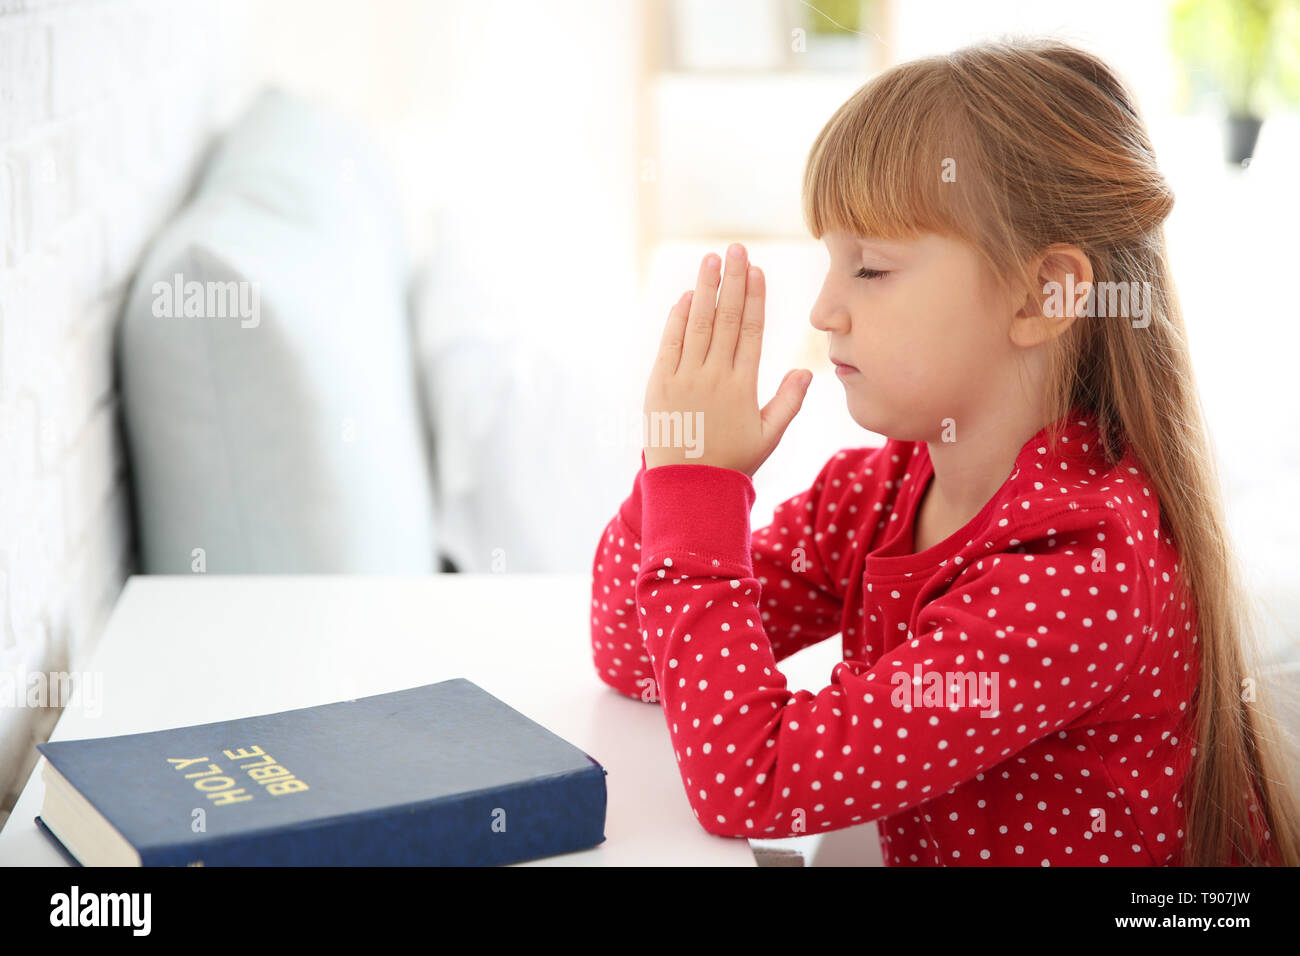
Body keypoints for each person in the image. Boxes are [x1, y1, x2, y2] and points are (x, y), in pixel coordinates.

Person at [589, 38, 1299, 866]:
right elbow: (636, 657)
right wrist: (678, 470)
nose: (824, 310)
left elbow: (757, 780)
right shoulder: (885, 488)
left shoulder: (1079, 565)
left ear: (1045, 294)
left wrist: (696, 487)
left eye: (872, 270)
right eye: (831, 263)